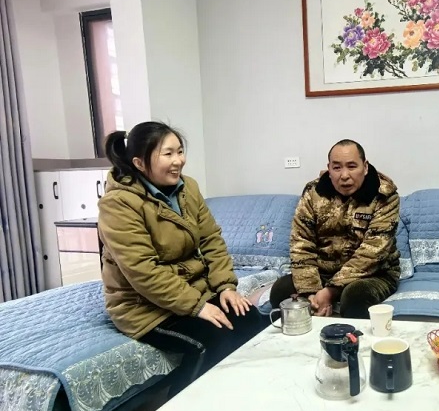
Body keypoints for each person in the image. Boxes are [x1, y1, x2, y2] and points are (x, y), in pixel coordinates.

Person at [97, 121, 265, 391]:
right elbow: (143, 271)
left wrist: (225, 287)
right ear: (139, 164)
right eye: (168, 154)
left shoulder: (188, 188)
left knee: (250, 321)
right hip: (145, 307)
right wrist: (198, 307)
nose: (179, 161)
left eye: (180, 151)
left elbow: (211, 239)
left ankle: (243, 395)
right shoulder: (118, 205)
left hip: (190, 292)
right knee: (213, 341)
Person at [269, 139, 400, 318]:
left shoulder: (384, 196)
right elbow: (301, 243)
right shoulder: (313, 193)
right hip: (323, 272)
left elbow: (373, 253)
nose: (344, 175)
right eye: (337, 167)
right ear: (329, 169)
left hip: (373, 274)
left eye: (352, 166)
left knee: (355, 297)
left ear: (365, 167)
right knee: (281, 292)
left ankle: (348, 336)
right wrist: (311, 293)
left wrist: (331, 291)